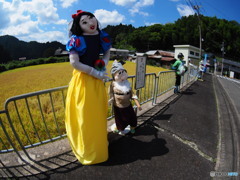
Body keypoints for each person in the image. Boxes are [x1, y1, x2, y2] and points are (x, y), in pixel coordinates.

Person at [65, 10, 111, 165]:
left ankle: (99, 145)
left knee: (98, 113)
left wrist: (103, 64)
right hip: (83, 81)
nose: (90, 23)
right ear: (79, 26)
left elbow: (107, 52)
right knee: (84, 115)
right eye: (84, 22)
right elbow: (74, 63)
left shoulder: (102, 36)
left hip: (97, 80)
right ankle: (87, 148)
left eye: (91, 18)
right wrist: (93, 71)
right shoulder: (76, 39)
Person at [108, 60, 142, 135]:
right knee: (119, 119)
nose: (122, 75)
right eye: (119, 73)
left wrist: (138, 104)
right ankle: (120, 128)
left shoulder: (127, 84)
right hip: (118, 106)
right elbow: (110, 93)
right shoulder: (113, 84)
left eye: (123, 72)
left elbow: (132, 94)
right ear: (114, 76)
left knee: (132, 116)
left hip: (128, 105)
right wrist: (110, 101)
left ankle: (133, 127)